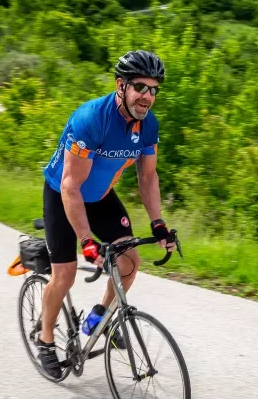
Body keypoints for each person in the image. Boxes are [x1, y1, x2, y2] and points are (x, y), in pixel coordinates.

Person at [39, 50, 177, 379]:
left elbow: (148, 177)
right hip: (63, 195)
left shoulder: (148, 126)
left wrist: (158, 223)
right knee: (66, 275)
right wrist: (87, 242)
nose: (147, 96)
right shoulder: (92, 120)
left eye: (153, 89)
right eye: (140, 87)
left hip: (100, 196)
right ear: (121, 86)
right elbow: (71, 186)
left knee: (129, 261)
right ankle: (45, 341)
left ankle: (100, 319)